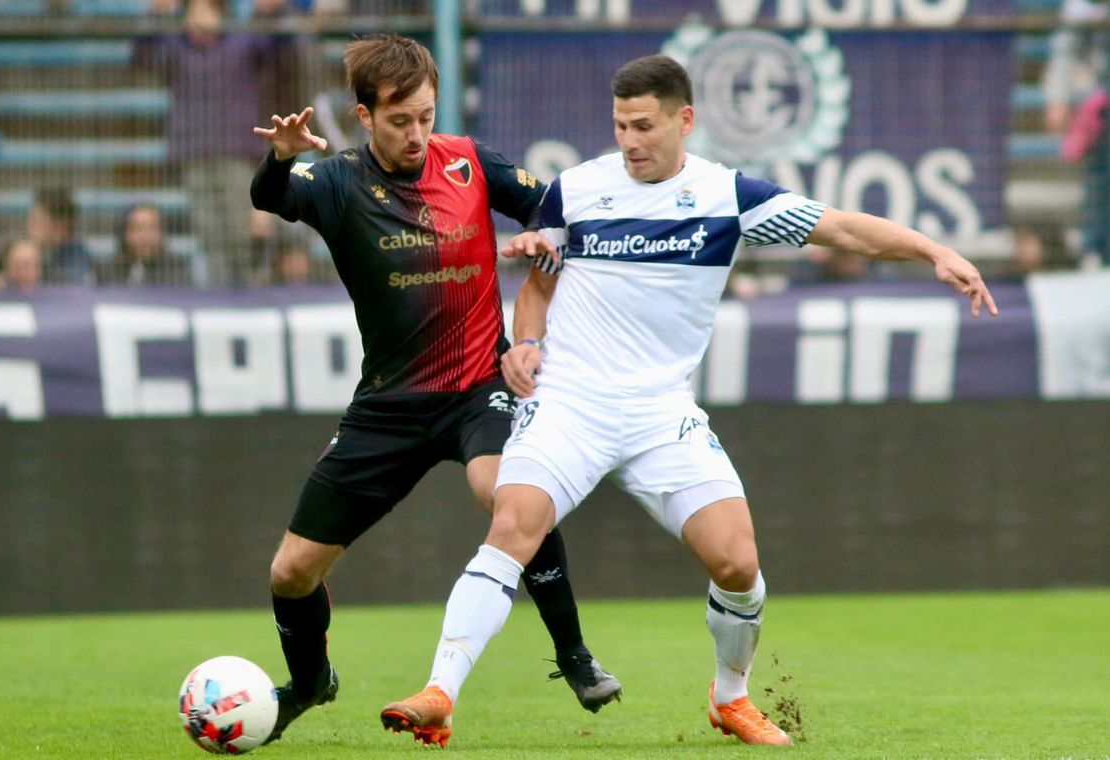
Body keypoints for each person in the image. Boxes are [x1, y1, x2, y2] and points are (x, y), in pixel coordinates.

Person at [381, 53, 1000, 748]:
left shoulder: (728, 196)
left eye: (644, 126)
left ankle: (730, 697)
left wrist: (934, 251)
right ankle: (440, 691)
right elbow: (539, 288)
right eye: (620, 125)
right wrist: (525, 342)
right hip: (570, 403)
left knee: (737, 563)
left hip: (659, 413)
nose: (630, 141)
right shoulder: (575, 190)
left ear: (685, 120)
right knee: (513, 525)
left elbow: (846, 229)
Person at [248, 34, 621, 745]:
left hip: (480, 387)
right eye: (400, 120)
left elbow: (551, 209)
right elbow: (271, 196)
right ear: (364, 116)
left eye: (425, 116)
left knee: (507, 493)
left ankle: (574, 654)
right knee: (291, 571)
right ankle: (310, 681)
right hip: (388, 406)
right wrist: (282, 157)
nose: (417, 133)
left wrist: (540, 243)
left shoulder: (470, 161)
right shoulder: (337, 182)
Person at [136, 0, 280, 286]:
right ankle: (220, 295)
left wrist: (271, 11)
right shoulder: (176, 47)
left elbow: (280, 47)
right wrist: (155, 15)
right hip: (194, 154)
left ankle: (251, 292)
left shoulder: (243, 42)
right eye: (194, 11)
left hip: (238, 154)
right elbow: (141, 57)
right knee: (210, 235)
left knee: (242, 231)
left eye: (206, 10)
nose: (200, 17)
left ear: (220, 15)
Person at [1043, 0, 1110, 269]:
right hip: (1102, 104)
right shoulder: (1082, 7)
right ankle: (1096, 248)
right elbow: (1065, 50)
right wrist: (1058, 98)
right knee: (1101, 179)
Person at [95, 203, 193, 287]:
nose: (145, 237)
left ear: (163, 234)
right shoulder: (106, 271)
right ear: (125, 233)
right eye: (137, 228)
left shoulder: (177, 271)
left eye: (152, 228)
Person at [26, 188, 91, 285]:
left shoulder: (76, 257)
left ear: (61, 227)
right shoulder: (22, 251)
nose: (29, 225)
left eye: (37, 221)